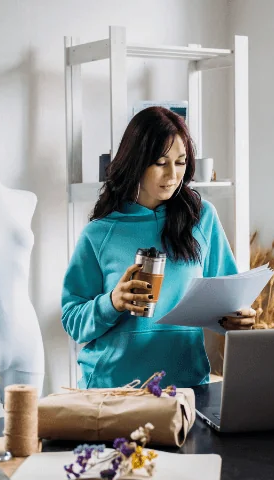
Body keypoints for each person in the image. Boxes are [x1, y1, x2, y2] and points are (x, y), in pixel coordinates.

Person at [61, 107, 256, 389]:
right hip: (113, 389)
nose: (173, 175)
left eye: (180, 162)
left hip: (186, 387)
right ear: (137, 162)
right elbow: (72, 320)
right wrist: (112, 302)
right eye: (161, 162)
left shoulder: (202, 218)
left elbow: (227, 299)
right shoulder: (100, 232)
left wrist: (237, 319)